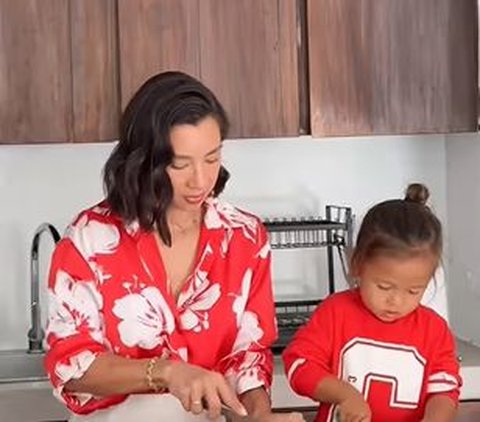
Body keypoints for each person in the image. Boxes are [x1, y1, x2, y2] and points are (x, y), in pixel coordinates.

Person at [45, 71, 304, 422]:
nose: (200, 180)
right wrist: (167, 372)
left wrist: (257, 415)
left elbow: (249, 355)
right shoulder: (89, 238)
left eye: (212, 158)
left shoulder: (244, 236)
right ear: (144, 160)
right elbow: (70, 366)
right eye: (180, 164)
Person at [282, 183, 461, 422]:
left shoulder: (434, 330)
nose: (396, 301)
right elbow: (299, 366)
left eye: (414, 291)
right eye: (384, 287)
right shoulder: (336, 313)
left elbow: (444, 392)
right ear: (358, 265)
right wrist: (344, 395)